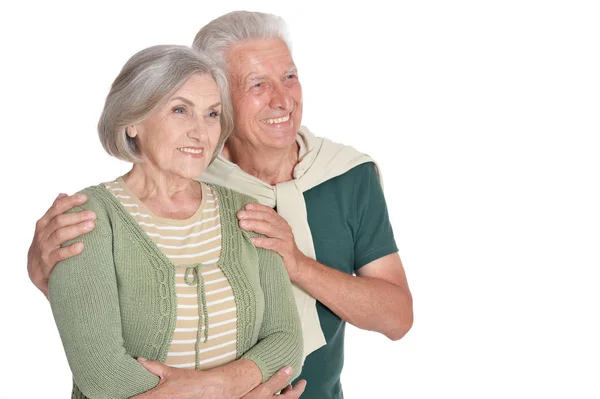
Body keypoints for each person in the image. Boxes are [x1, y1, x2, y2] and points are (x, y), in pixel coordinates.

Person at [28, 11, 413, 399]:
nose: (282, 99)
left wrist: (296, 264)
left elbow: (388, 320)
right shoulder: (163, 186)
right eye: (257, 84)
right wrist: (48, 275)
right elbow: (102, 355)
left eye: (290, 77)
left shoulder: (339, 178)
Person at [45, 44, 303, 399]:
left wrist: (217, 385)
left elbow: (286, 344)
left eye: (212, 114)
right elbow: (103, 377)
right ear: (132, 120)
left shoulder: (248, 211)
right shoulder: (87, 218)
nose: (201, 132)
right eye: (180, 110)